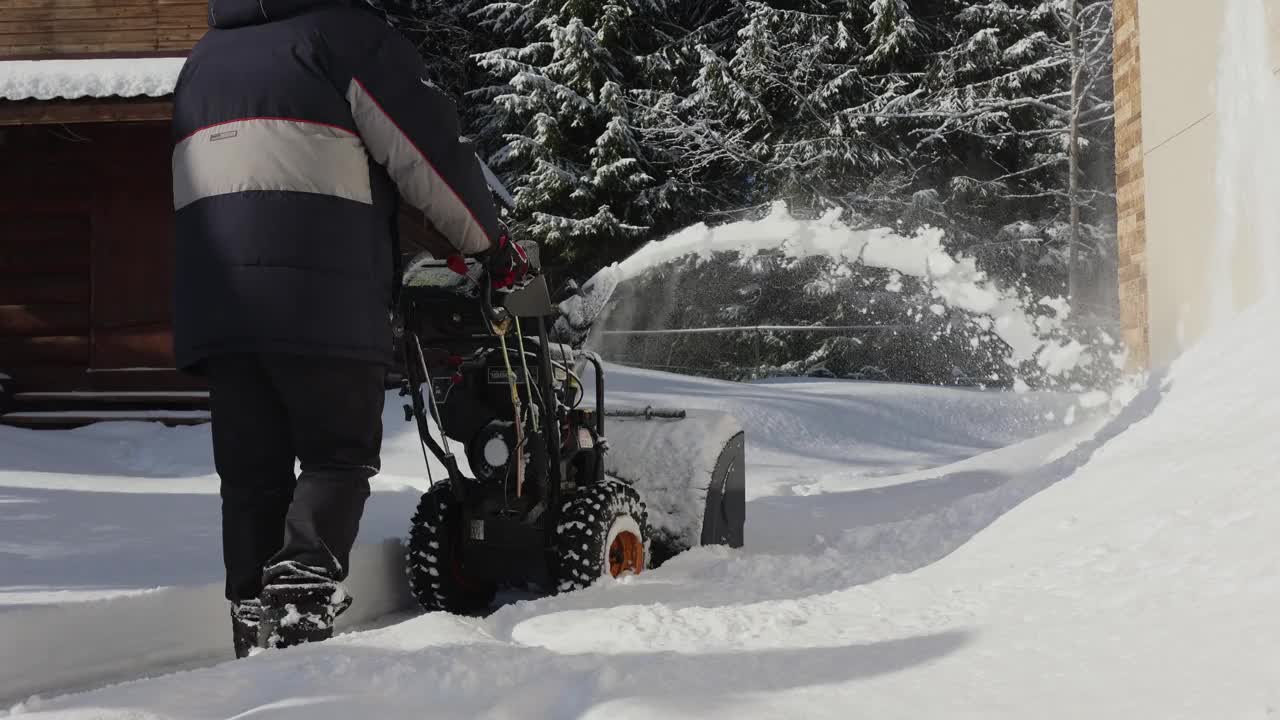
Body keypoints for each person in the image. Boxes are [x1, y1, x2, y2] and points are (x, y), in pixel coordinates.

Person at [171, 0, 524, 657]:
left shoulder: (202, 61)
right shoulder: (346, 37)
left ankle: (253, 627)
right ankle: (301, 605)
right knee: (338, 454)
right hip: (320, 299)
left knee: (253, 476)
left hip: (220, 306)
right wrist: (492, 247)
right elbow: (429, 156)